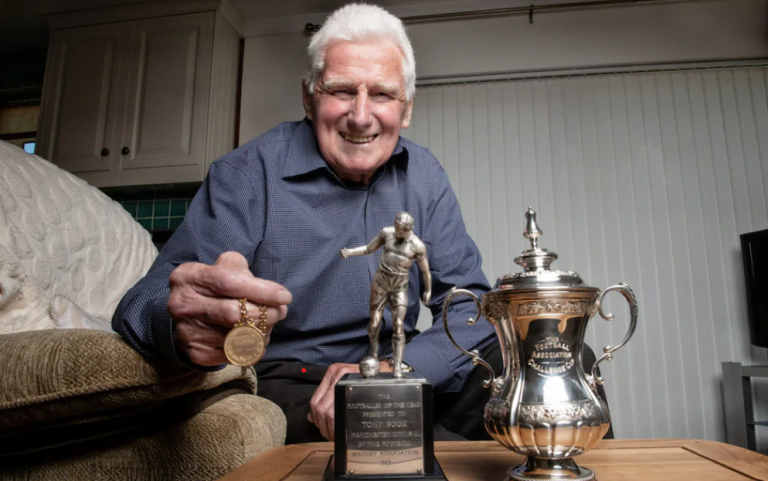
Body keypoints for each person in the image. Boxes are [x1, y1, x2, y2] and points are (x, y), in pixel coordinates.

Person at [112, 3, 611, 444]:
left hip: (397, 368)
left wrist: (401, 372)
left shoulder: (425, 174)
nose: (360, 115)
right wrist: (180, 325)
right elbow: (140, 305)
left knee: (564, 364)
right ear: (308, 98)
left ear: (406, 108)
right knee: (387, 431)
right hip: (292, 382)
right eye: (341, 90)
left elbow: (469, 309)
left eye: (382, 95)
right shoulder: (246, 173)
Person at [341, 211, 431, 379]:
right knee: (374, 324)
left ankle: (397, 365)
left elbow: (426, 272)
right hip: (381, 281)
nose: (397, 232)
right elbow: (369, 248)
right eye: (396, 228)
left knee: (398, 324)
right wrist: (350, 252)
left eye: (400, 230)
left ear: (409, 229)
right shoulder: (387, 233)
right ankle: (374, 355)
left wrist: (428, 290)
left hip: (399, 286)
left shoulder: (417, 246)